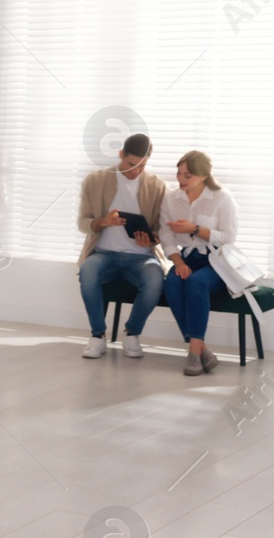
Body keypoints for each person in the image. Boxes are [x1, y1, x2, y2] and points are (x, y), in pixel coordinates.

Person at [75, 133, 166, 359]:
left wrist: (152, 238)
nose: (135, 171)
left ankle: (132, 332)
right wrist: (102, 222)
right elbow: (82, 222)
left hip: (141, 257)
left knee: (155, 279)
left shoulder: (157, 186)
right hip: (104, 254)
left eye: (142, 166)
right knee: (87, 271)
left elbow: (162, 229)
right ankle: (98, 336)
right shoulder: (95, 181)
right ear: (120, 155)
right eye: (131, 164)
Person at [160, 150, 238, 376]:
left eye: (188, 176)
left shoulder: (222, 198)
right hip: (186, 257)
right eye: (179, 174)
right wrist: (178, 262)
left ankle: (193, 353)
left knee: (196, 283)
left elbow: (228, 239)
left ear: (204, 176)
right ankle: (201, 349)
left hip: (216, 260)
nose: (181, 180)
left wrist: (194, 229)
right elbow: (166, 236)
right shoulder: (171, 197)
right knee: (173, 282)